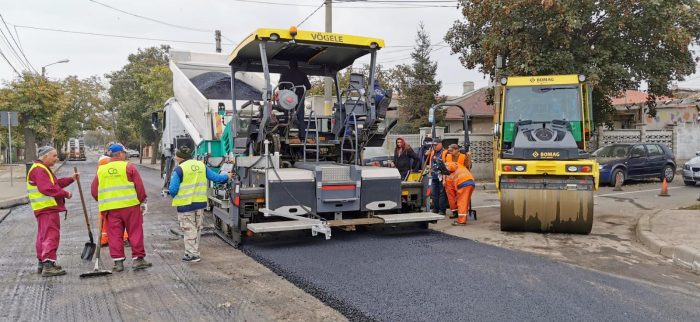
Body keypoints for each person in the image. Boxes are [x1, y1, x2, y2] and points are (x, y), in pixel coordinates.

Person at [91, 143, 151, 272]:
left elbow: (94, 191)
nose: (125, 155)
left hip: (111, 209)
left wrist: (104, 201)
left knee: (114, 235)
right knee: (135, 232)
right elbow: (139, 187)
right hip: (130, 207)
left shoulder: (101, 170)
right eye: (124, 153)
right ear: (120, 154)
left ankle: (118, 263)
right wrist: (142, 201)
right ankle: (138, 260)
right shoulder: (129, 167)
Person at [168, 146, 233, 262]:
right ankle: (193, 251)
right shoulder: (201, 165)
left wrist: (177, 196)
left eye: (176, 155)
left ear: (179, 157)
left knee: (189, 229)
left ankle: (192, 254)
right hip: (200, 203)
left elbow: (172, 189)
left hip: (185, 205)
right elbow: (215, 178)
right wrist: (227, 176)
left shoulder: (179, 169)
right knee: (197, 228)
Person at [27, 146, 78, 277]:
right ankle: (48, 265)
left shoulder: (41, 168)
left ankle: (43, 262)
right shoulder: (40, 170)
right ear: (45, 156)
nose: (57, 158)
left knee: (43, 236)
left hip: (43, 208)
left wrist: (71, 179)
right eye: (54, 156)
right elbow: (47, 188)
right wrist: (65, 194)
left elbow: (55, 184)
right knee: (51, 236)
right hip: (47, 208)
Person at [97, 150, 129, 247]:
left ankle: (103, 239)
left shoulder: (101, 164)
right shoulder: (111, 163)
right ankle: (122, 239)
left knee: (104, 220)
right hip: (118, 199)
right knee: (120, 221)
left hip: (104, 199)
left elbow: (95, 186)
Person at [279, 60, 311, 142]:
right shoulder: (302, 73)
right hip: (299, 97)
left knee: (286, 116)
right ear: (297, 66)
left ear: (289, 66)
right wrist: (300, 87)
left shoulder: (285, 73)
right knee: (300, 117)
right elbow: (308, 86)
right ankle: (303, 137)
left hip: (288, 98)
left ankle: (284, 135)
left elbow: (280, 87)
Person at [425, 138, 448, 215]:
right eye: (434, 145)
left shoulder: (445, 153)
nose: (435, 146)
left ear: (440, 144)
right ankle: (435, 208)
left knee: (442, 194)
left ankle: (442, 210)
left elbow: (446, 165)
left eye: (436, 145)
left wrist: (444, 179)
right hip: (434, 176)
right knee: (434, 194)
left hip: (442, 176)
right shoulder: (432, 152)